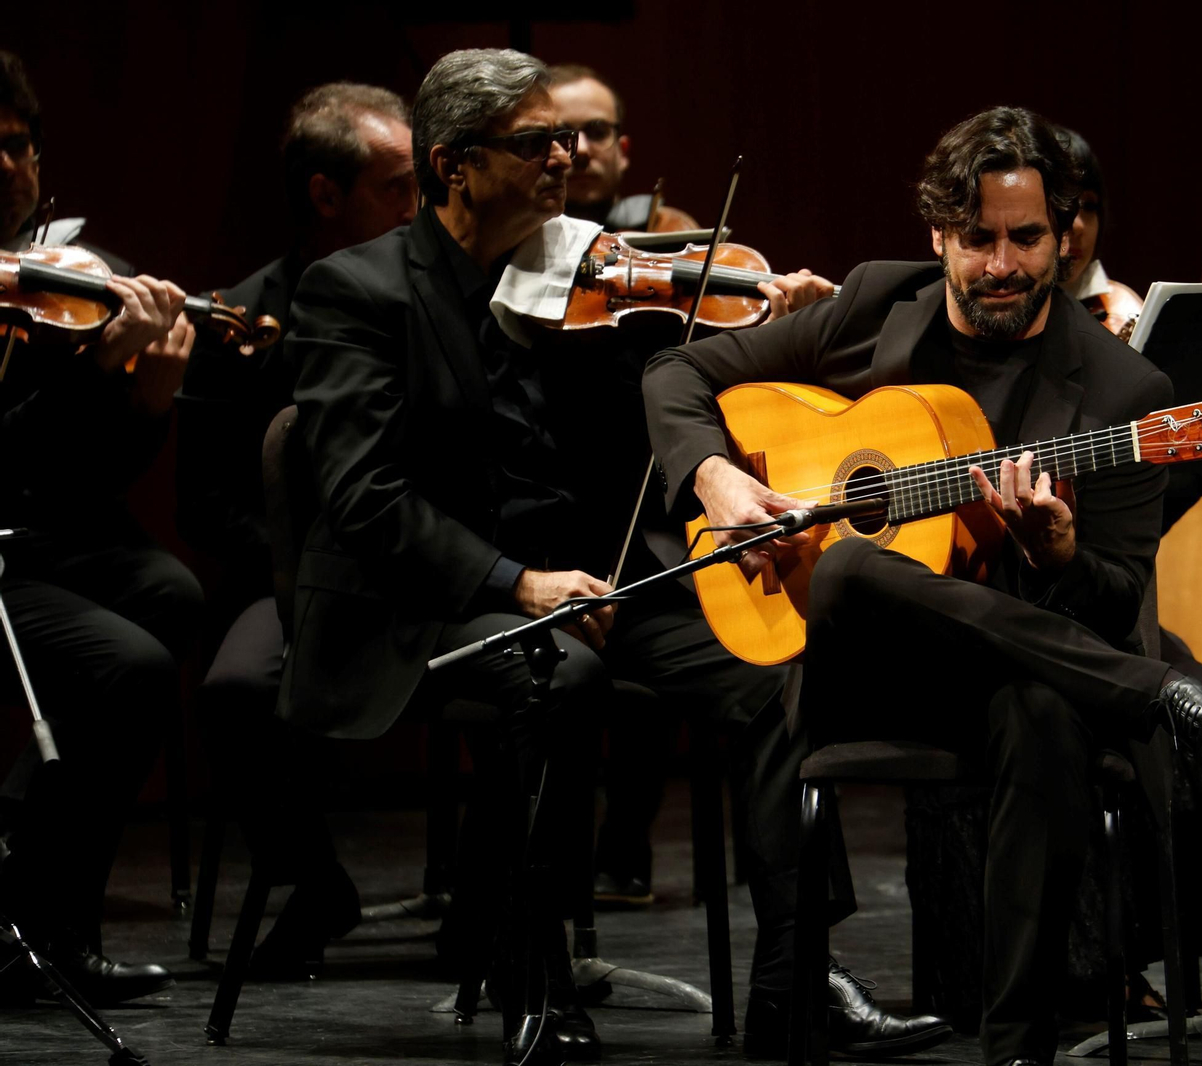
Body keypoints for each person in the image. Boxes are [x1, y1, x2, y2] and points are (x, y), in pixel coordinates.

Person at [284, 48, 948, 1064]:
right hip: (424, 596)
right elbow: (363, 498)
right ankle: (531, 971)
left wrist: (775, 318)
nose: (567, 159)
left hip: (597, 579)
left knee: (770, 667)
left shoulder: (592, 275)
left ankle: (797, 975)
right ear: (455, 165)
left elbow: (684, 386)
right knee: (561, 675)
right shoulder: (358, 291)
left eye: (571, 137)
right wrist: (515, 581)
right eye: (537, 143)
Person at [642, 105, 1202, 1066]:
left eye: (1026, 238)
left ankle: (1016, 1048)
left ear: (1066, 238)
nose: (1002, 264)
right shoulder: (875, 305)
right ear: (939, 235)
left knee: (1043, 712)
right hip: (861, 673)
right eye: (977, 240)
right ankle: (1164, 700)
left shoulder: (1126, 398)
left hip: (1018, 672)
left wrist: (1057, 555)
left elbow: (1115, 602)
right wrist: (719, 480)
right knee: (847, 563)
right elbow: (675, 374)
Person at [175, 81, 417, 975]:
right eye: (398, 187)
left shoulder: (438, 297)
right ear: (325, 194)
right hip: (298, 581)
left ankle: (499, 906)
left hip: (426, 566)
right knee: (236, 689)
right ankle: (314, 882)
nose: (419, 209)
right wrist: (299, 564)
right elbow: (201, 502)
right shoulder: (240, 317)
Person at [0, 49, 203, 1006]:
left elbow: (83, 480)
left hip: (36, 538)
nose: (7, 168)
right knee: (127, 667)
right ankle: (51, 927)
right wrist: (89, 378)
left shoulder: (72, 281)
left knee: (175, 594)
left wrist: (147, 399)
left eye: (19, 146)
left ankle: (24, 847)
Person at [548, 63, 697, 232]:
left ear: (623, 152)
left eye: (597, 132)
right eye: (562, 136)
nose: (581, 149)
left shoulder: (668, 229)